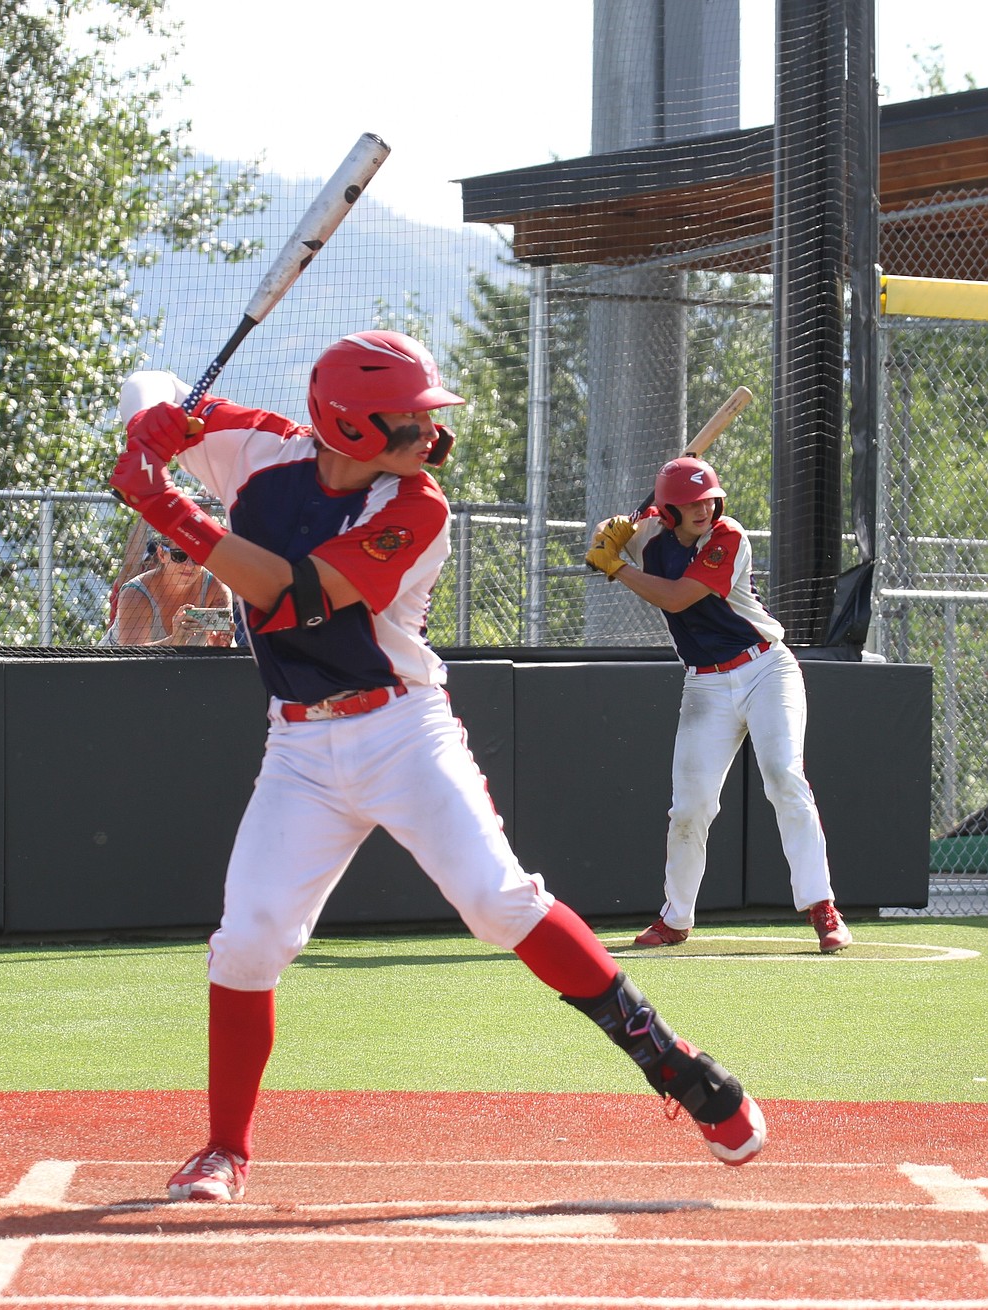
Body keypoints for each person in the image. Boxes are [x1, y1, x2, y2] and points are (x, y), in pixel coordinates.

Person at [109, 332, 766, 1204]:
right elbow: (154, 390)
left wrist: (167, 506)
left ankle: (676, 1065)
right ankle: (224, 1150)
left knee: (499, 902)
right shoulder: (263, 452)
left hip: (400, 731)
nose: (431, 438)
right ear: (345, 423)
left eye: (427, 421)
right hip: (300, 744)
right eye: (411, 423)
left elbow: (291, 593)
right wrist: (158, 423)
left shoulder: (419, 511)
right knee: (248, 942)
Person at [585, 455, 853, 955]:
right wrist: (612, 530)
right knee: (689, 808)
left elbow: (678, 597)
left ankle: (822, 907)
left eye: (707, 498)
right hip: (705, 683)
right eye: (689, 503)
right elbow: (610, 530)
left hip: (766, 669)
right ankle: (675, 918)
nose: (702, 509)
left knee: (783, 777)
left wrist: (616, 565)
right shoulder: (651, 533)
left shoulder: (729, 537)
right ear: (668, 511)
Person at [105, 534, 234, 647]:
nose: (189, 565)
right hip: (110, 671)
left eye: (197, 556)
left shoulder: (217, 591)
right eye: (179, 555)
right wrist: (174, 641)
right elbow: (131, 660)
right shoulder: (135, 594)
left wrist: (219, 646)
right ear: (161, 554)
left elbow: (228, 648)